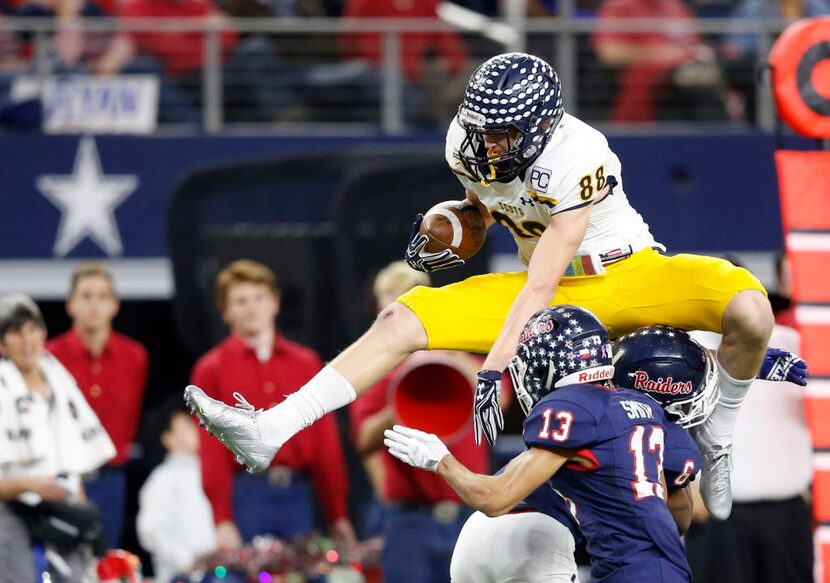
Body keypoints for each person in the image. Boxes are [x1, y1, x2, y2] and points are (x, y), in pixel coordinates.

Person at [186, 51, 775, 521]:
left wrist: (493, 367)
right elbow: (484, 212)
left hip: (625, 274)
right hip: (542, 287)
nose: (486, 144)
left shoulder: (578, 152)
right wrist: (452, 228)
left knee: (750, 308)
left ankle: (718, 433)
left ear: (542, 128)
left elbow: (545, 276)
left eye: (501, 135)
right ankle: (272, 428)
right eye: (481, 129)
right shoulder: (466, 143)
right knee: (399, 320)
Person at [386, 305, 694, 582]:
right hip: (654, 566)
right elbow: (673, 512)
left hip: (627, 571)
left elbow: (495, 499)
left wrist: (440, 460)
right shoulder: (643, 407)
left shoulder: (573, 406)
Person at [191, 259, 355, 552]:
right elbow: (212, 451)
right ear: (226, 311)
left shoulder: (305, 362)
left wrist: (337, 513)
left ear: (275, 303)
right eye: (240, 301)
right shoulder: (211, 369)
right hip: (247, 493)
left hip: (297, 494)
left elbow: (324, 442)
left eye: (259, 297)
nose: (252, 307)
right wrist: (222, 519)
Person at [351, 261, 490, 582]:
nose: (398, 302)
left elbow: (500, 399)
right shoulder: (377, 367)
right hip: (410, 518)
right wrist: (403, 401)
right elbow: (363, 439)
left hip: (468, 512)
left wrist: (450, 353)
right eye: (389, 294)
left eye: (407, 294)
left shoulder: (461, 351)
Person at [0, 294, 115, 583]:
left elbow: (76, 456)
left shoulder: (59, 379)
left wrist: (79, 506)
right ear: (2, 344)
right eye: (16, 332)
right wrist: (31, 485)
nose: (26, 340)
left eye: (31, 329)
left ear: (43, 333)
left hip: (60, 507)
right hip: (9, 512)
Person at [47, 261, 148, 548]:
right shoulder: (49, 358)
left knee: (106, 562)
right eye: (86, 296)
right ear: (70, 304)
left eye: (102, 297)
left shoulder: (134, 356)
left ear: (114, 305)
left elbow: (130, 419)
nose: (94, 305)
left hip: (111, 479)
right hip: (61, 479)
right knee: (61, 563)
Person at [137, 408, 217, 583]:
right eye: (186, 427)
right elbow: (150, 530)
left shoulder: (210, 471)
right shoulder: (162, 478)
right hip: (181, 575)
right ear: (168, 439)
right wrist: (185, 560)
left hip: (215, 571)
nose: (196, 429)